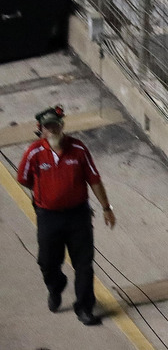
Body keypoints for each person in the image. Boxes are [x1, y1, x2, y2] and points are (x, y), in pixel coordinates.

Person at [17, 105, 116, 326]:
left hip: (78, 216)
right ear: (40, 129)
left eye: (55, 125)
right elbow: (23, 178)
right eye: (47, 126)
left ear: (62, 126)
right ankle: (56, 285)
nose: (52, 129)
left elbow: (94, 179)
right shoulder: (34, 152)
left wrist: (107, 208)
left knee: (84, 264)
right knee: (47, 262)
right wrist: (46, 193)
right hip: (48, 217)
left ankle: (84, 308)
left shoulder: (79, 149)